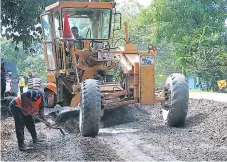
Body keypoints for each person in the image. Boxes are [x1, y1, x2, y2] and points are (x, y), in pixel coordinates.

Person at [9, 83, 57, 151]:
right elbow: (23, 95)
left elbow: (41, 112)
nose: (52, 95)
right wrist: (26, 107)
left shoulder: (44, 99)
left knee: (31, 123)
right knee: (20, 124)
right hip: (16, 106)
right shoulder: (36, 93)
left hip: (25, 110)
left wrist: (46, 122)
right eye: (52, 93)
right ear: (48, 92)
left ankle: (35, 139)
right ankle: (21, 145)